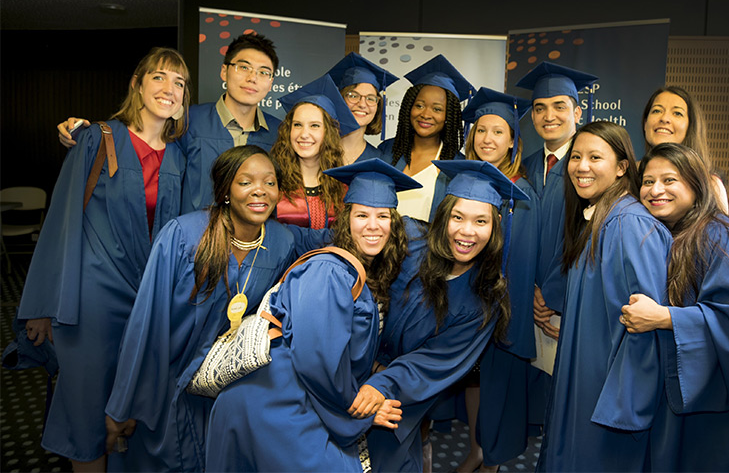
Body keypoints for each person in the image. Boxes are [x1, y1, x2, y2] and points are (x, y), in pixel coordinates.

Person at [17, 47, 190, 472]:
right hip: (91, 298)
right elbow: (61, 220)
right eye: (159, 78)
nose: (169, 89)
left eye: (179, 83)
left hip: (147, 297)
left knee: (131, 408)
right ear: (138, 84)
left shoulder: (179, 157)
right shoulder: (98, 137)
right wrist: (43, 306)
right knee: (87, 408)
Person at [205, 158, 420, 472]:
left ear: (394, 223)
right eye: (362, 215)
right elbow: (316, 359)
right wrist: (360, 411)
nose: (372, 225)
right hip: (274, 401)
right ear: (346, 220)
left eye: (382, 216)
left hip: (295, 395)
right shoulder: (329, 271)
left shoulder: (358, 271)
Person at [104, 146, 297, 471]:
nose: (260, 190)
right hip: (164, 380)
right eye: (245, 182)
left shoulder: (280, 242)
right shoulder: (185, 235)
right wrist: (122, 404)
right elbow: (146, 323)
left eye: (270, 182)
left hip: (225, 383)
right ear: (224, 191)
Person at [622, 143, 729, 471]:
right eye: (647, 181)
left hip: (728, 404)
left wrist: (664, 317)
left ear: (696, 186)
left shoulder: (724, 238)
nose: (655, 190)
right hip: (688, 392)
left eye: (669, 180)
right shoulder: (669, 235)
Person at [361, 160, 529, 473]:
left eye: (481, 221)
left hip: (396, 395)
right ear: (444, 216)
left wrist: (379, 383)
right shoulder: (407, 239)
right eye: (458, 217)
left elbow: (432, 363)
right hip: (344, 371)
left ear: (494, 229)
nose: (467, 231)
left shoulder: (484, 300)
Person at [536, 121, 673, 471]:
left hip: (609, 393)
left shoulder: (631, 224)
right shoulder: (601, 218)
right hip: (586, 378)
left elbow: (648, 320)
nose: (582, 166)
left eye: (595, 157)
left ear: (622, 167)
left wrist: (628, 403)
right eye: (576, 156)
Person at [57, 33, 283, 214]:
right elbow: (141, 138)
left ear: (271, 82)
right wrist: (78, 134)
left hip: (255, 248)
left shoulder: (279, 133)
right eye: (243, 67)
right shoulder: (187, 122)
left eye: (263, 72)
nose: (252, 78)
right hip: (195, 247)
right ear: (224, 71)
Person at [444, 87, 541, 472]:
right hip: (464, 300)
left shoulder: (522, 193)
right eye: (481, 130)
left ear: (513, 140)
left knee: (496, 382)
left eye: (498, 131)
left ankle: (491, 457)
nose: (488, 139)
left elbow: (523, 259)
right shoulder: (458, 183)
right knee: (473, 379)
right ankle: (475, 448)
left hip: (499, 304)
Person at [514, 62, 598, 377]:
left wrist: (552, 295)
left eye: (559, 106)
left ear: (577, 113)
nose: (549, 116)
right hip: (526, 301)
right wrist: (530, 288)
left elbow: (588, 239)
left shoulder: (590, 169)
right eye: (540, 108)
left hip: (568, 305)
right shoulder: (526, 166)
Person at [378, 54, 474, 221]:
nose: (425, 114)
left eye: (437, 109)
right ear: (409, 108)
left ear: (448, 116)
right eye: (419, 105)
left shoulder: (456, 167)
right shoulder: (387, 151)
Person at [270, 74, 360, 228]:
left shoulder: (345, 187)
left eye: (315, 126)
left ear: (329, 133)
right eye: (297, 125)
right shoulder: (274, 182)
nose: (304, 134)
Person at [642, 85, 729, 212]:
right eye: (656, 111)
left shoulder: (710, 184)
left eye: (677, 113)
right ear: (645, 124)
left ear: (690, 126)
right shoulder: (630, 175)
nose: (664, 119)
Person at [325, 52, 400, 164]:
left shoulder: (378, 161)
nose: (362, 104)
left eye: (370, 98)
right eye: (353, 96)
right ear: (339, 100)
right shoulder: (316, 153)